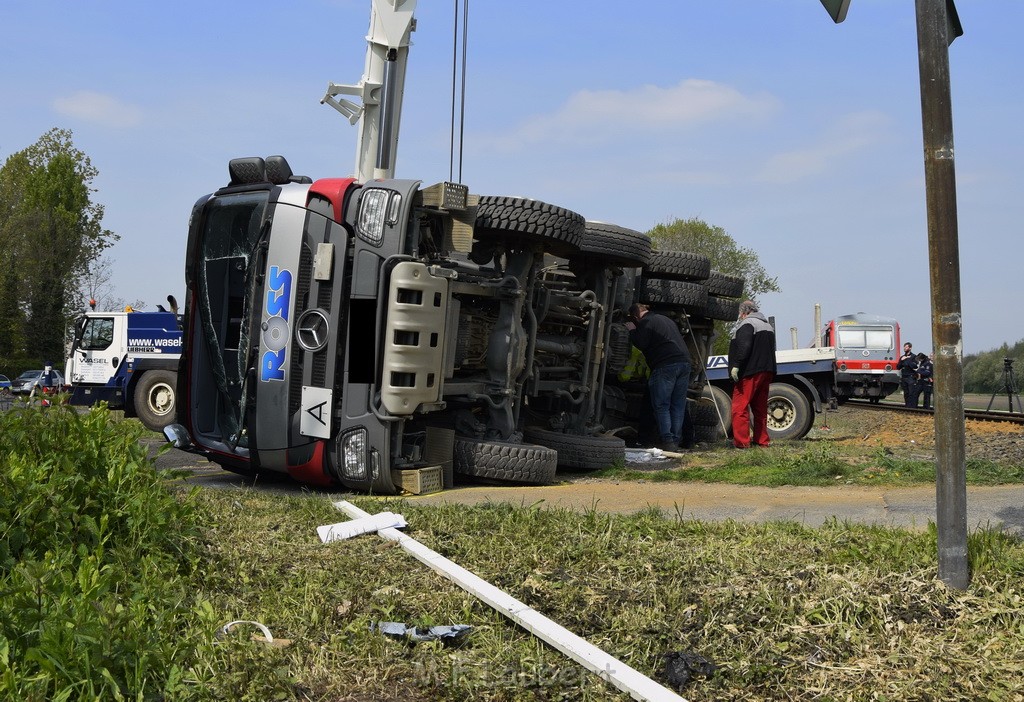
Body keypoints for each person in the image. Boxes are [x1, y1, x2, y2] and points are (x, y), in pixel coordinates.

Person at [626, 303, 691, 452]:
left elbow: (641, 343)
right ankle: (675, 440)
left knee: (662, 405)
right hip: (684, 363)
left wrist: (631, 330)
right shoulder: (665, 319)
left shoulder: (645, 322)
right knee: (678, 405)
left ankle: (667, 441)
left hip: (665, 365)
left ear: (635, 316)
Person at [728, 300, 777, 448]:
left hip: (750, 372)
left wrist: (736, 365)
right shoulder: (767, 326)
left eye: (740, 314)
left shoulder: (747, 324)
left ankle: (742, 443)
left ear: (744, 312)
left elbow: (744, 346)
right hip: (767, 371)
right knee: (760, 409)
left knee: (739, 408)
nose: (740, 316)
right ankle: (762, 441)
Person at [897, 343, 919, 407]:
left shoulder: (914, 356)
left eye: (906, 347)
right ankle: (907, 406)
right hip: (904, 377)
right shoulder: (902, 357)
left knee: (911, 392)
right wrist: (901, 360)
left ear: (910, 348)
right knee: (906, 393)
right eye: (904, 347)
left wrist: (908, 360)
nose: (904, 348)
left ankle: (912, 406)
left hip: (911, 377)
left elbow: (915, 366)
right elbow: (898, 367)